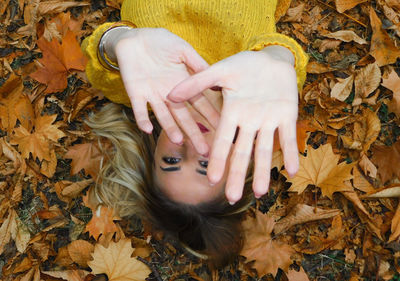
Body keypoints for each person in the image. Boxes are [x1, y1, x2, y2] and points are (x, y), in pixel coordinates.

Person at [82, 0, 308, 267]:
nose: (190, 148)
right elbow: (282, 58)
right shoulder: (260, 89)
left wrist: (121, 39)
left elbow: (102, 53)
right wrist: (277, 56)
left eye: (172, 161)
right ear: (238, 160)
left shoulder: (141, 88)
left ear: (154, 152)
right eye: (204, 164)